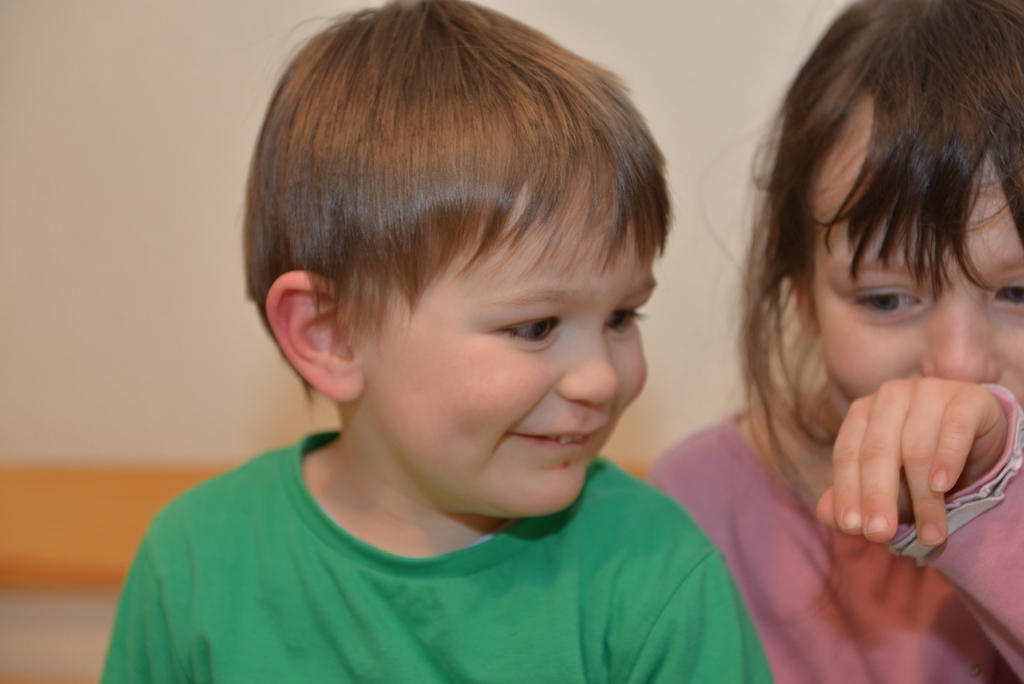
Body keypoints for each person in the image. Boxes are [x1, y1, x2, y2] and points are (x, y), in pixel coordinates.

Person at [99, 1, 772, 681]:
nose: (601, 378)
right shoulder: (193, 566)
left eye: (622, 317)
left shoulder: (660, 577)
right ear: (330, 334)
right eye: (535, 327)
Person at [649, 0, 1024, 681]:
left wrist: (996, 497)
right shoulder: (690, 510)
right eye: (886, 300)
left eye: (1019, 294)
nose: (960, 363)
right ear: (803, 299)